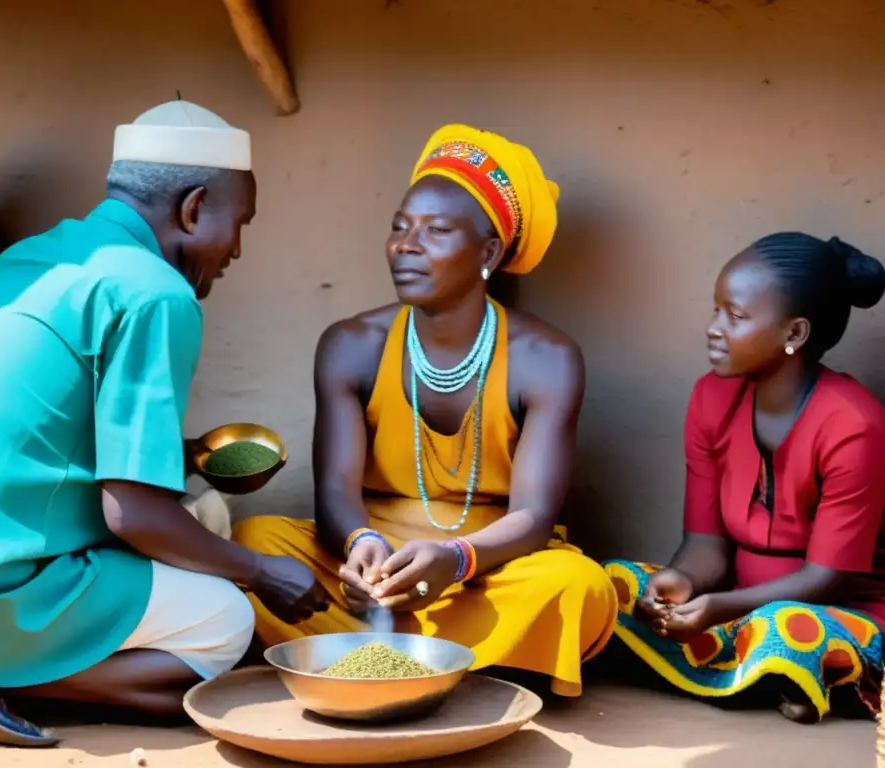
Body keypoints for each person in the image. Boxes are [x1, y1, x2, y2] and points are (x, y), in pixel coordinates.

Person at [0, 100, 329, 748]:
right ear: (194, 208)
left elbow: (53, 434)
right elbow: (134, 514)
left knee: (198, 530)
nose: (238, 249)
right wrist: (261, 572)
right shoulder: (155, 291)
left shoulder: (34, 256)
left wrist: (190, 456)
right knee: (225, 621)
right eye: (240, 222)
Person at [233, 124, 618, 697]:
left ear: (489, 252)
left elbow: (534, 517)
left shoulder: (547, 359)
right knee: (254, 540)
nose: (405, 245)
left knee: (579, 585)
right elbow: (336, 492)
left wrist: (455, 559)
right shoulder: (351, 344)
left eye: (435, 231)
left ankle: (383, 652)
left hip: (483, 568)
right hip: (373, 568)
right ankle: (449, 660)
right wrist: (359, 545)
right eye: (399, 227)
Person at [604, 232, 885, 723]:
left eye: (735, 317)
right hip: (735, 603)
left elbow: (826, 578)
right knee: (614, 585)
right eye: (716, 310)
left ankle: (777, 670)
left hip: (840, 609)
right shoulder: (711, 399)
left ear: (795, 334)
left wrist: (720, 607)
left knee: (787, 630)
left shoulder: (854, 426)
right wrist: (682, 582)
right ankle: (772, 679)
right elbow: (704, 544)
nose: (714, 329)